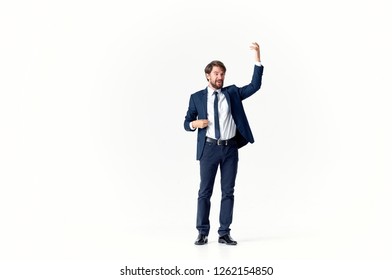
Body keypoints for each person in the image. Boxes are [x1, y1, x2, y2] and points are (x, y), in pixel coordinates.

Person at [183, 42, 264, 245]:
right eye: (217, 74)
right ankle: (202, 232)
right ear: (208, 76)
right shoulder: (196, 98)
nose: (220, 77)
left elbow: (255, 86)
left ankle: (224, 233)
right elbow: (186, 123)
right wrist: (195, 123)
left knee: (228, 191)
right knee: (205, 192)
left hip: (230, 148)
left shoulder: (232, 93)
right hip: (208, 149)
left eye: (222, 74)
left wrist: (257, 58)